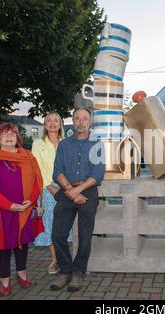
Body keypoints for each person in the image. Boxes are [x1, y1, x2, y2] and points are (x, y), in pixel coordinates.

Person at [0, 122, 44, 297]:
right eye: (4, 134)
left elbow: (38, 182)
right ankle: (5, 281)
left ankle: (22, 274)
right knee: (3, 246)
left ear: (17, 138)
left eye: (12, 134)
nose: (9, 137)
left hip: (23, 208)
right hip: (1, 211)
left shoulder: (29, 157)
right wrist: (8, 205)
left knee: (22, 243)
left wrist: (30, 200)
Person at [50, 107, 105, 292]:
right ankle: (65, 270)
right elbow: (57, 171)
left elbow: (97, 174)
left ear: (90, 122)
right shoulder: (64, 144)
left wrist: (78, 190)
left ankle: (78, 272)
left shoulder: (97, 144)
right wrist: (70, 190)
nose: (81, 121)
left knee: (84, 235)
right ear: (73, 121)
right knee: (57, 234)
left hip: (88, 190)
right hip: (66, 190)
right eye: (77, 118)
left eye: (84, 118)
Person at [32, 112, 72, 274]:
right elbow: (37, 168)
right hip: (48, 189)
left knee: (67, 223)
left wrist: (68, 186)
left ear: (61, 124)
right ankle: (55, 261)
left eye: (56, 120)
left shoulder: (67, 143)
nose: (52, 123)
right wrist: (49, 186)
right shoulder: (38, 143)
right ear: (45, 125)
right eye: (49, 120)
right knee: (50, 224)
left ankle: (68, 259)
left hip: (68, 187)